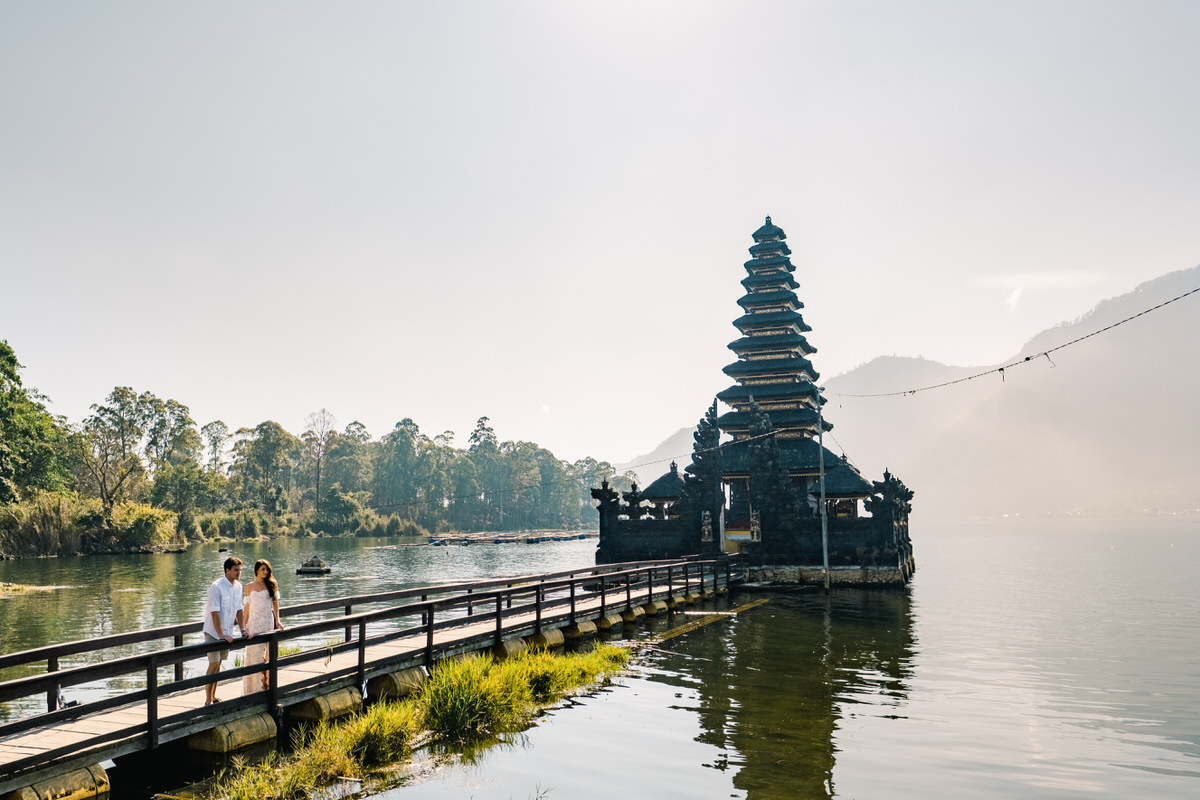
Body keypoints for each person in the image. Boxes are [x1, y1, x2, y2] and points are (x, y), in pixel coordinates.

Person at [201, 556, 247, 705]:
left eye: (240, 570)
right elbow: (215, 613)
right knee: (213, 664)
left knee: (219, 664)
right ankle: (207, 700)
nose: (238, 572)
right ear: (227, 570)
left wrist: (243, 629)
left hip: (227, 632)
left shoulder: (238, 587)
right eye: (236, 570)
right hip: (213, 632)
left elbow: (240, 610)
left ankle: (214, 695)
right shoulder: (217, 587)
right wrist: (220, 635)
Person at [242, 559, 285, 695]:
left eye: (267, 569)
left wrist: (277, 621)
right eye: (263, 569)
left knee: (268, 655)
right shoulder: (249, 586)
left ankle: (266, 685)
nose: (265, 572)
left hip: (267, 621)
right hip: (254, 623)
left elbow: (275, 605)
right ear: (256, 571)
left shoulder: (272, 584)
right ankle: (254, 689)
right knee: (255, 655)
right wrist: (244, 626)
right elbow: (247, 608)